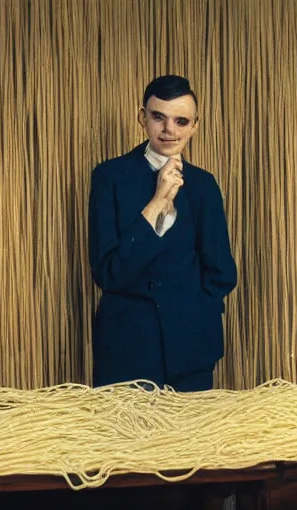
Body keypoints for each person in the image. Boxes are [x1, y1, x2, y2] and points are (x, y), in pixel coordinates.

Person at [87, 75, 237, 391]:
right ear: (143, 117)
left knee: (192, 440)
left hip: (192, 349)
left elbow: (222, 273)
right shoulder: (109, 177)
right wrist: (158, 201)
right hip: (126, 349)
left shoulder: (204, 186)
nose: (170, 130)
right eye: (159, 117)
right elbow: (108, 273)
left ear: (194, 126)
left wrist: (197, 314)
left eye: (181, 121)